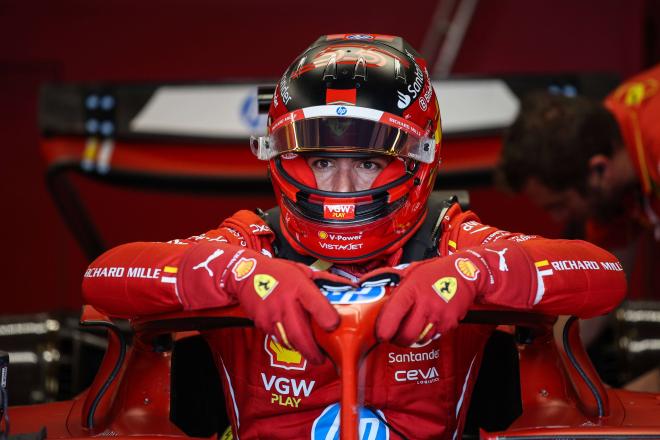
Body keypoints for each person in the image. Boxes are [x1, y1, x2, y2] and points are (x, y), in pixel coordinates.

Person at [82, 34, 626, 439]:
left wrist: (469, 273)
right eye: (319, 159)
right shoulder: (253, 242)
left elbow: (602, 272)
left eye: (368, 161)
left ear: (421, 158)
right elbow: (105, 274)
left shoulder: (451, 238)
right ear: (282, 155)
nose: (340, 186)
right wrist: (239, 273)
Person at [499, 66, 660, 301]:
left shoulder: (654, 140)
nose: (558, 218)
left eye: (560, 204)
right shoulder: (608, 143)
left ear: (599, 169)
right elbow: (602, 288)